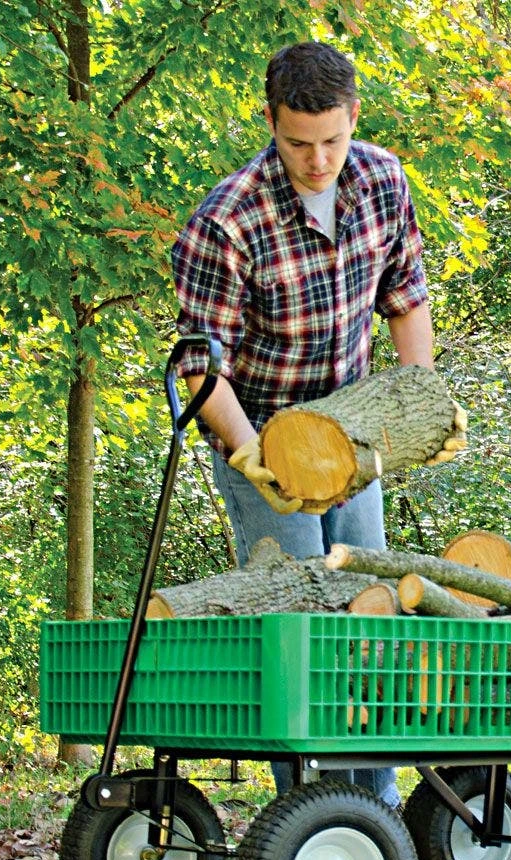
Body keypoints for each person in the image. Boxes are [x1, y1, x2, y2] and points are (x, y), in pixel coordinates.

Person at [171, 41, 465, 808]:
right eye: (299, 143)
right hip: (259, 422)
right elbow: (202, 366)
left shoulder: (382, 180)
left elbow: (406, 297)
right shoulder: (227, 220)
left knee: (371, 607)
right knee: (299, 614)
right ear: (270, 122)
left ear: (353, 117)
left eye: (332, 139)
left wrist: (423, 404)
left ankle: (379, 812)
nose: (317, 160)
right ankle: (310, 812)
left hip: (352, 420)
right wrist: (249, 454)